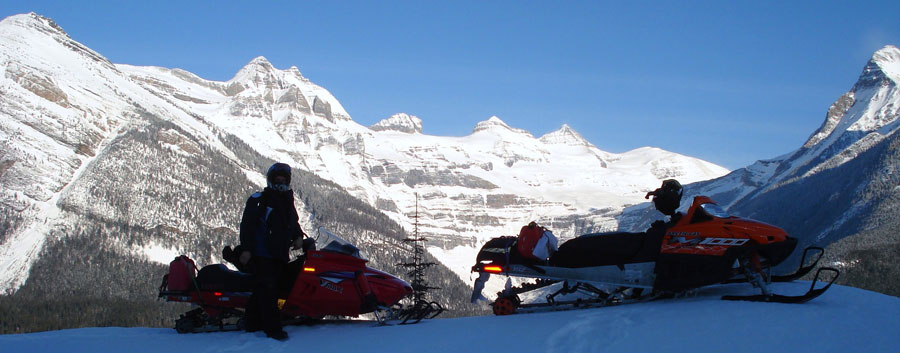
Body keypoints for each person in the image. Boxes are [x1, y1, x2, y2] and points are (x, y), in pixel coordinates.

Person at [239, 162, 305, 340]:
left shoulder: (286, 200)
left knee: (264, 289)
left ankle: (251, 322)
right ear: (270, 180)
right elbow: (247, 226)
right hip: (262, 253)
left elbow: (292, 222)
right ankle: (273, 329)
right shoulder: (260, 200)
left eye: (284, 179)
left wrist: (299, 237)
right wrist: (246, 249)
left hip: (279, 254)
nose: (280, 182)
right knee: (269, 291)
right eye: (277, 179)